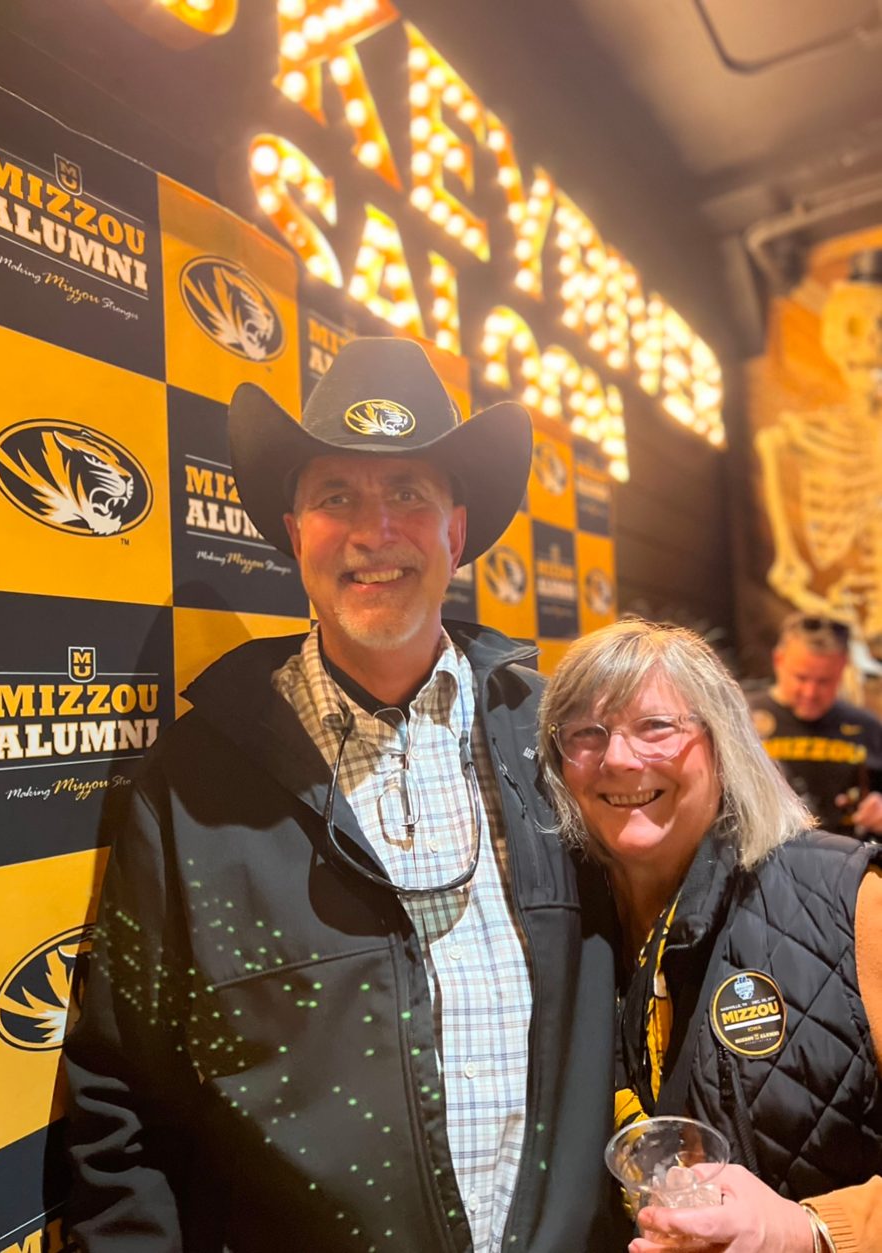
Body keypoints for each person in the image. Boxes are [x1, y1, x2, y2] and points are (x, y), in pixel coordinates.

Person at [64, 336, 621, 1252]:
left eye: (409, 491)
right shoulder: (194, 782)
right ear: (295, 533)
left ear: (455, 530)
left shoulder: (553, 737)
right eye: (337, 496)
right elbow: (120, 1100)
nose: (375, 530)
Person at [539, 617, 882, 1253]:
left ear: (723, 742)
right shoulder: (552, 925)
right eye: (587, 732)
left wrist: (807, 1230)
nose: (618, 757)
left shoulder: (848, 897)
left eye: (656, 727)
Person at [748, 611, 882, 835]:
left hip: (846, 861)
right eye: (801, 677)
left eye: (824, 681)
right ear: (778, 661)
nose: (810, 693)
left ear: (842, 668)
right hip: (765, 859)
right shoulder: (742, 717)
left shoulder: (867, 727)